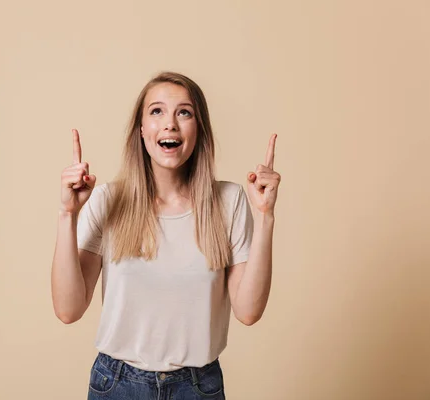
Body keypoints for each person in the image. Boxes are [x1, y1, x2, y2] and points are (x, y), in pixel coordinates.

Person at [51, 71, 281, 400]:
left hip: (198, 387)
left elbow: (248, 311)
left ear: (198, 129)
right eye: (156, 111)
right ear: (141, 130)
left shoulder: (228, 202)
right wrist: (67, 214)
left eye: (184, 112)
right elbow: (67, 310)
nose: (170, 124)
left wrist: (266, 215)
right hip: (117, 385)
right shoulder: (107, 200)